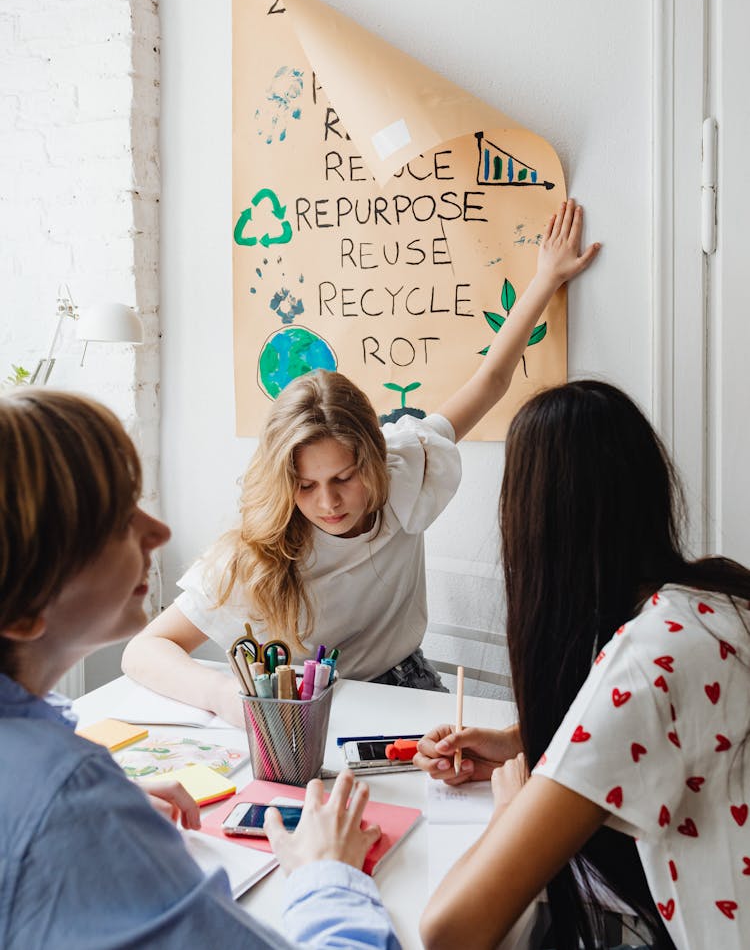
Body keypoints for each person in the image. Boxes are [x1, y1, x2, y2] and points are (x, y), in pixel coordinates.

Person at [122, 199, 600, 726]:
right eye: (305, 486)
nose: (327, 503)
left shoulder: (407, 467)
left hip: (407, 687)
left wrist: (545, 280)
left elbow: (490, 382)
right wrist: (220, 695)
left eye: (344, 478)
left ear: (373, 459)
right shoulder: (255, 552)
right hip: (304, 711)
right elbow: (143, 651)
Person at [0, 388, 400, 949]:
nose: (159, 533)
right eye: (117, 519)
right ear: (22, 611)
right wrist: (329, 874)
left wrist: (98, 805)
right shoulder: (65, 799)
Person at [414, 380, 750, 950]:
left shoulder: (649, 663)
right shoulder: (719, 595)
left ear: (533, 521)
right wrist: (525, 742)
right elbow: (671, 734)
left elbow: (450, 930)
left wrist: (511, 812)